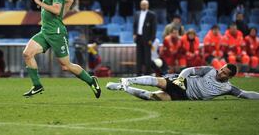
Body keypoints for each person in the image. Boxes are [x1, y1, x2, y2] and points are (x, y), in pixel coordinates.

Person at [23, 0, 101, 98]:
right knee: (27, 54)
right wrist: (61, 16)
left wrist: (38, 2)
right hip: (45, 32)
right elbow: (70, 0)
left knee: (66, 66)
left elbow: (56, 9)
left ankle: (91, 80)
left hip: (56, 33)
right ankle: (37, 85)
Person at [106, 64, 259, 101]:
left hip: (185, 97)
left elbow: (245, 94)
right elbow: (190, 70)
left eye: (224, 72)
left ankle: (123, 87)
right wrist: (180, 79)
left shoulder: (228, 88)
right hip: (183, 84)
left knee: (153, 97)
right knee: (156, 81)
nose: (220, 72)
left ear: (230, 77)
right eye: (222, 69)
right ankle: (127, 80)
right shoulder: (210, 70)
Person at [133, 0, 157, 75]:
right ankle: (138, 73)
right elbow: (135, 25)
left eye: (145, 4)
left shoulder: (152, 14)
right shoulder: (137, 14)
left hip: (147, 38)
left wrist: (152, 39)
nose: (143, 6)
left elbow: (154, 28)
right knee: (139, 56)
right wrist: (134, 34)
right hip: (139, 37)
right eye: (142, 4)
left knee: (147, 57)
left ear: (148, 5)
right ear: (140, 5)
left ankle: (147, 73)